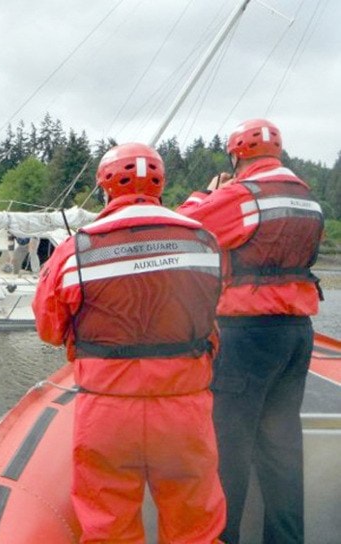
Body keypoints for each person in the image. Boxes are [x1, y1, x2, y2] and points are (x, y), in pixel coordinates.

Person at [32, 143, 226, 543]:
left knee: (108, 528)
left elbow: (50, 329)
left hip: (106, 412)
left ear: (105, 186)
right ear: (160, 186)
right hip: (184, 410)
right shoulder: (205, 243)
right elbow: (211, 314)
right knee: (195, 527)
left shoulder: (75, 253)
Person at [176, 118, 324, 543]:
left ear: (237, 155)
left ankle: (225, 538)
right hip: (297, 334)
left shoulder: (244, 196)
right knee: (282, 449)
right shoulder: (307, 197)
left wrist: (206, 193)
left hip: (246, 334)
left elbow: (186, 232)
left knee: (230, 451)